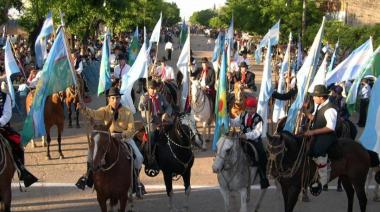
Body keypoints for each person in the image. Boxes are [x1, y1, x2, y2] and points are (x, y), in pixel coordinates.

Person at [76, 87, 144, 196]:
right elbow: (93, 113)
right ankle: (87, 178)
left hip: (125, 138)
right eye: (113, 98)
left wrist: (122, 135)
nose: (115, 101)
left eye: (117, 98)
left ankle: (136, 182)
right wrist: (84, 108)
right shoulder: (105, 110)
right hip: (108, 137)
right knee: (90, 154)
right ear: (109, 99)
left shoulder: (127, 112)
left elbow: (131, 130)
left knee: (139, 158)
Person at [0, 68, 38, 187]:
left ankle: (22, 172)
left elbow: (7, 114)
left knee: (17, 143)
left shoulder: (4, 96)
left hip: (2, 128)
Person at [303, 84, 338, 192]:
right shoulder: (320, 105)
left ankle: (323, 181)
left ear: (321, 97)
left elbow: (330, 127)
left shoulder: (330, 109)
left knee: (317, 150)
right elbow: (315, 118)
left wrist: (313, 132)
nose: (313, 98)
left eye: (315, 96)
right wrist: (305, 111)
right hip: (319, 133)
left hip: (327, 136)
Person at [230, 96, 270, 189]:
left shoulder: (258, 118)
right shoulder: (243, 114)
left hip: (254, 140)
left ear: (255, 108)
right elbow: (235, 122)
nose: (249, 110)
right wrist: (226, 119)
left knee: (262, 155)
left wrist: (246, 135)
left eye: (252, 108)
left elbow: (257, 132)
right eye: (248, 108)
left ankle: (263, 178)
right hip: (241, 139)